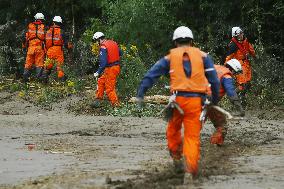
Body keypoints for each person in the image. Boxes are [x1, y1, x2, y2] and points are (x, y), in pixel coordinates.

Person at [136, 26, 220, 184]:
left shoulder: (170, 57)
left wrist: (141, 93)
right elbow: (214, 80)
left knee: (173, 130)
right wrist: (214, 100)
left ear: (175, 42)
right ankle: (190, 170)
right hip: (196, 102)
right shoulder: (203, 56)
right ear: (192, 41)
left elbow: (151, 75)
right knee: (192, 137)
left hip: (177, 102)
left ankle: (176, 158)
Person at [208, 59, 245, 145]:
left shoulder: (213, 67)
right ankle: (214, 146)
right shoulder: (227, 76)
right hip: (208, 102)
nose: (234, 75)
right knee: (222, 126)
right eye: (235, 73)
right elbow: (231, 92)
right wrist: (239, 108)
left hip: (192, 96)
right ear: (233, 69)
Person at [225, 27, 256, 103]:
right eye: (239, 34)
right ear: (235, 36)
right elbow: (228, 58)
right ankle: (232, 96)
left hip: (246, 64)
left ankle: (242, 100)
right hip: (238, 65)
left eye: (241, 33)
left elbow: (251, 49)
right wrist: (227, 68)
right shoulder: (233, 45)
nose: (241, 35)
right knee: (242, 85)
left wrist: (255, 56)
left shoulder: (245, 41)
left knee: (248, 84)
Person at [92, 32, 122, 107]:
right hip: (115, 67)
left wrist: (98, 72)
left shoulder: (103, 46)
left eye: (96, 41)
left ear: (99, 39)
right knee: (101, 81)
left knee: (109, 88)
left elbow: (103, 63)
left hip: (111, 69)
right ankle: (98, 99)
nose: (96, 43)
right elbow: (120, 53)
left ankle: (116, 105)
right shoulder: (113, 43)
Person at [42, 16, 72, 83]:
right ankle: (61, 83)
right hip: (58, 51)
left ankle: (44, 82)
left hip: (49, 51)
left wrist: (46, 51)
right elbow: (67, 44)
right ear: (60, 23)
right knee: (60, 68)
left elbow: (43, 43)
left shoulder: (47, 32)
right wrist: (69, 50)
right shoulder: (61, 32)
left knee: (47, 67)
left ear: (53, 22)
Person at [22, 13, 46, 82]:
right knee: (39, 64)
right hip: (39, 49)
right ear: (42, 19)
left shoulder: (30, 26)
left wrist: (24, 47)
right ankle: (38, 81)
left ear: (36, 18)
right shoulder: (43, 27)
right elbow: (46, 40)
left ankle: (25, 80)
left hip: (30, 49)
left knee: (28, 64)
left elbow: (25, 38)